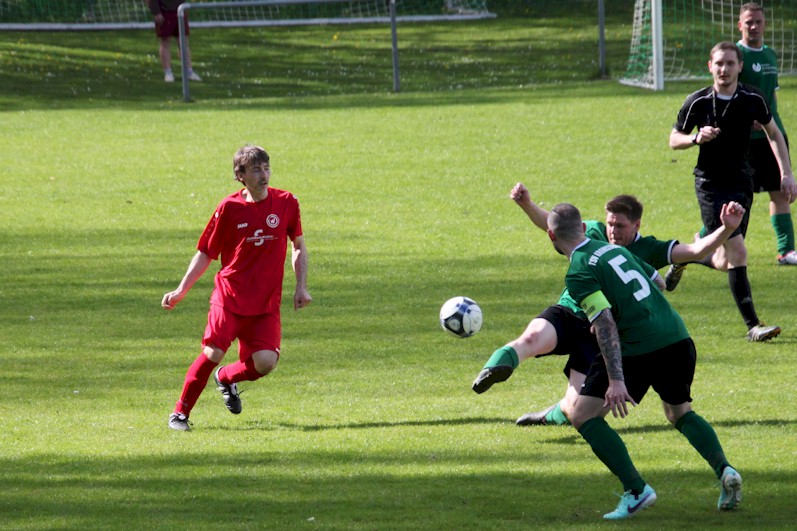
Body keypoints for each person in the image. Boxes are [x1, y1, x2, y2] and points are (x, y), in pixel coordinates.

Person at [472, 183, 745, 427]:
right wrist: (527, 204)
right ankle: (493, 368)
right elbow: (554, 225)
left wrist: (727, 229)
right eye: (610, 224)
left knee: (576, 409)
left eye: (620, 226)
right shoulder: (591, 232)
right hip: (570, 311)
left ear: (636, 225)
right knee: (531, 338)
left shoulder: (649, 249)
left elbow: (696, 251)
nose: (612, 231)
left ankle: (548, 415)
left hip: (602, 332)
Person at [547, 202, 742, 520]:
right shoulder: (616, 250)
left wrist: (616, 381)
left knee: (582, 414)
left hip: (637, 348)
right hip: (677, 337)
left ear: (551, 235)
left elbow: (605, 323)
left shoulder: (578, 271)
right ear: (583, 228)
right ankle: (726, 470)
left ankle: (636, 490)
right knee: (679, 413)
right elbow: (658, 282)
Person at [162, 145, 311, 431]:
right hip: (229, 296)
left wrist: (301, 287)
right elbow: (206, 253)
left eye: (266, 168)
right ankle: (179, 413)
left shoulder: (286, 202)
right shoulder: (229, 208)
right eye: (256, 170)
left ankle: (226, 378)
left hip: (265, 303)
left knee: (266, 362)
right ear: (240, 175)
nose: (263, 175)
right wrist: (181, 290)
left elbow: (298, 245)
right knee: (213, 352)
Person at [669, 41, 796, 342]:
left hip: (741, 183)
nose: (724, 69)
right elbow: (674, 138)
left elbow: (774, 133)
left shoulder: (753, 98)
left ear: (740, 66)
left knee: (726, 261)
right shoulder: (698, 101)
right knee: (738, 252)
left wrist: (786, 173)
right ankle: (753, 326)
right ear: (710, 66)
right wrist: (696, 138)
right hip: (710, 184)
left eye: (730, 63)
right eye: (719, 63)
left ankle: (688, 255)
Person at [145, 0, 201, 82]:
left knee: (183, 42)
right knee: (165, 41)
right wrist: (156, 12)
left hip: (180, 10)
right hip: (164, 11)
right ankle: (168, 73)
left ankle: (189, 71)